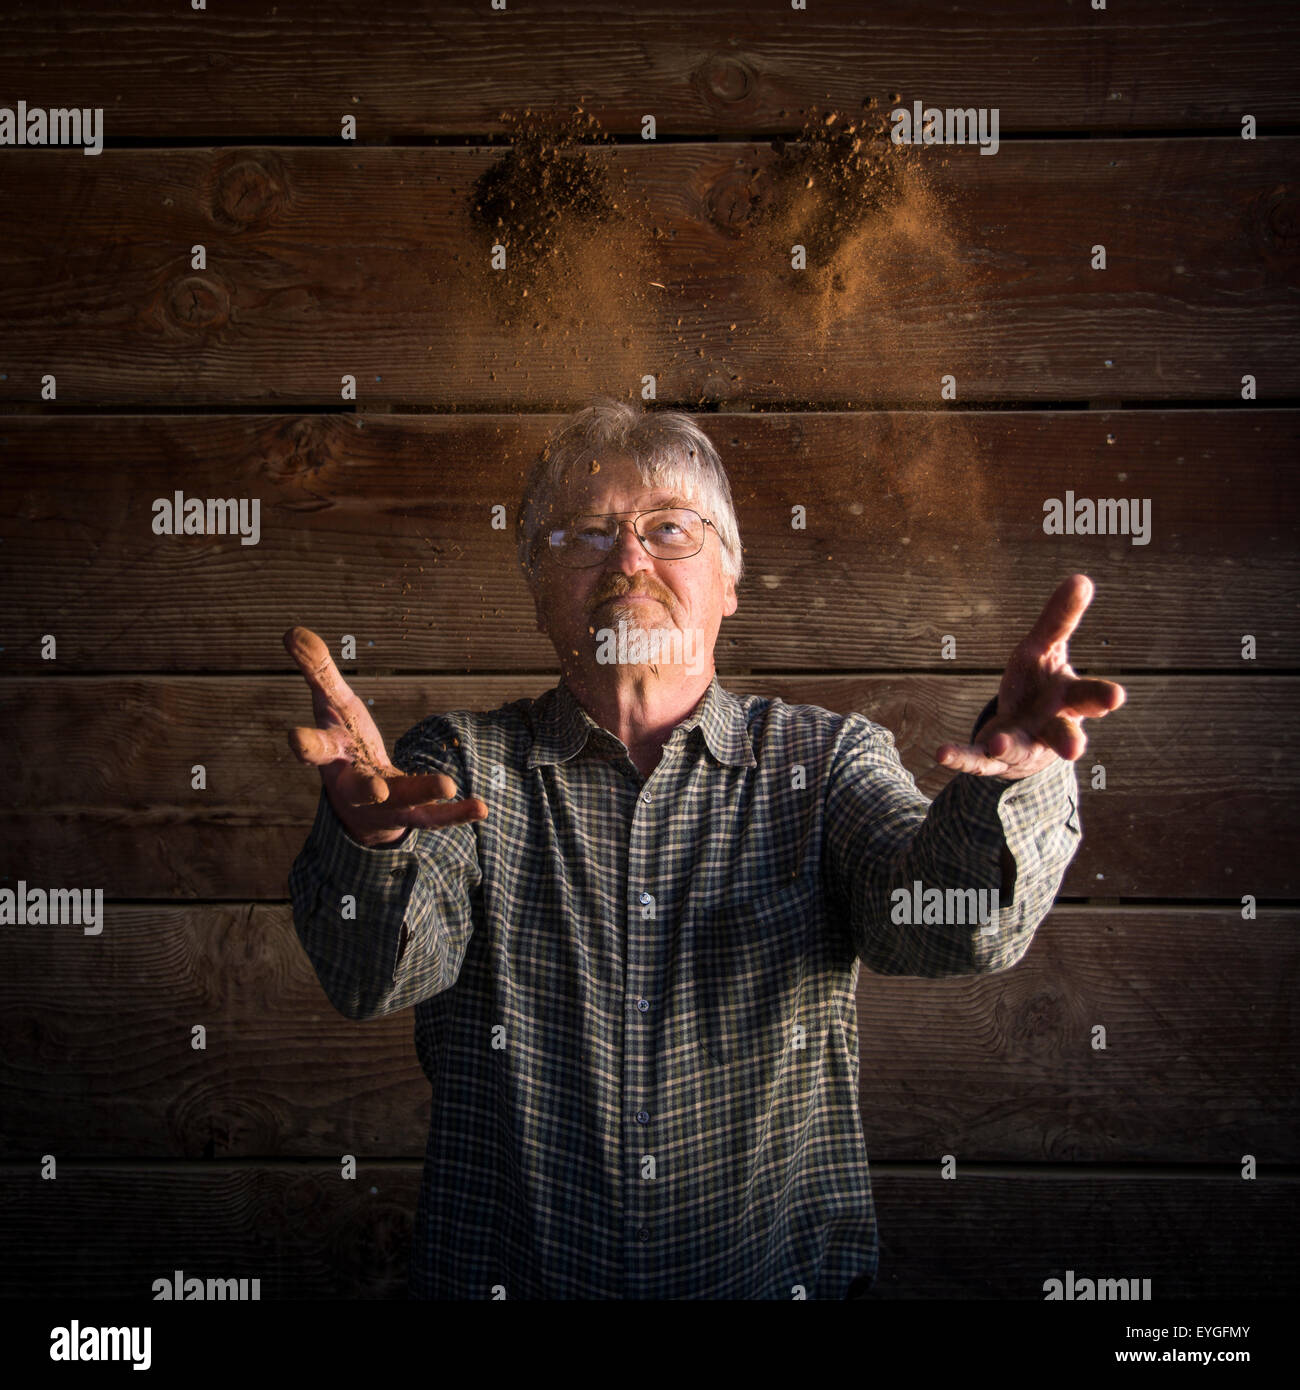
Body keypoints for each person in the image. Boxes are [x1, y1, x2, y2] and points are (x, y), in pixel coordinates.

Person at [285, 397, 1124, 1300]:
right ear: (537, 589)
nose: (629, 560)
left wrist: (1016, 778)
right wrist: (370, 840)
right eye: (586, 535)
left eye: (670, 529)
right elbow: (374, 978)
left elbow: (948, 930)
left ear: (728, 580)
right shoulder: (455, 764)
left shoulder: (827, 762)